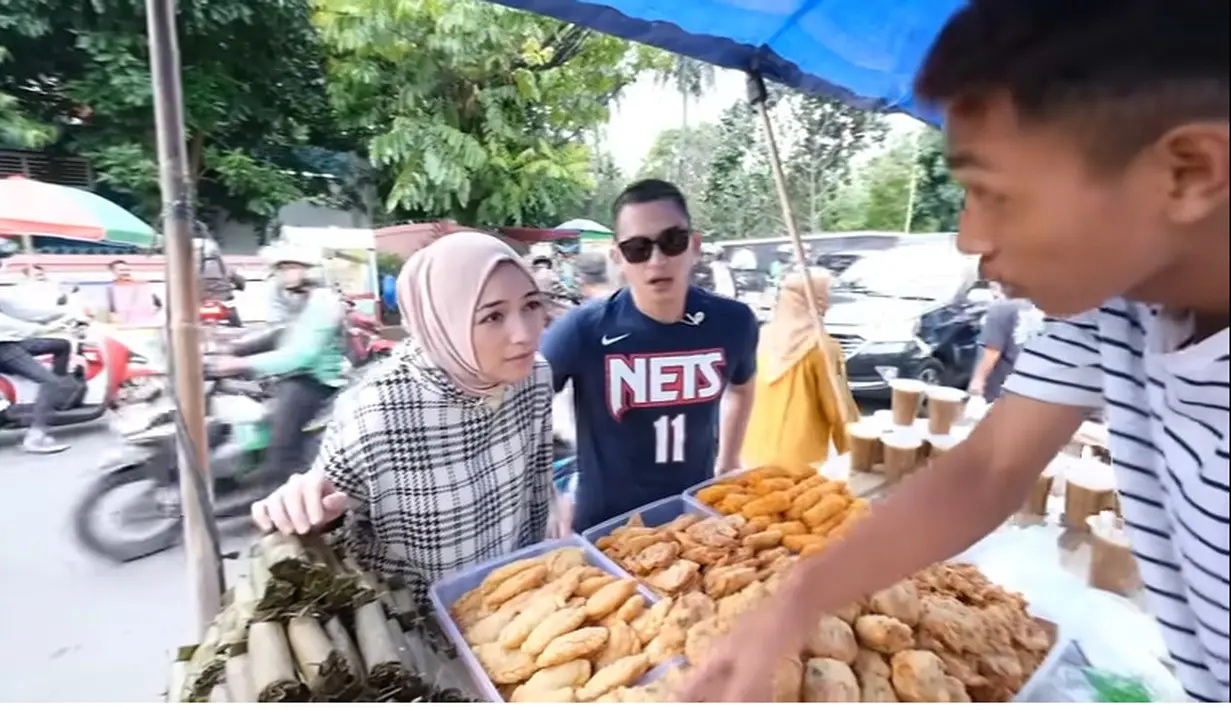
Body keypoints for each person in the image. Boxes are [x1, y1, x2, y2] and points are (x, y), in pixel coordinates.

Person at [681, 0, 1229, 702]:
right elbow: (987, 467)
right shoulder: (1119, 301)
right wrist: (794, 601)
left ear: (1185, 172)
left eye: (990, 192)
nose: (968, 240)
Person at [249, 232, 555, 603]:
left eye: (531, 305)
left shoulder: (533, 377)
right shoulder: (379, 413)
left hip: (513, 606)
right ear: (443, 322)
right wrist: (304, 508)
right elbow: (329, 526)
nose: (524, 334)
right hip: (418, 632)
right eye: (492, 316)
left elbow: (537, 488)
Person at [542, 179, 760, 532]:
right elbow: (520, 403)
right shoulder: (584, 329)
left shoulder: (733, 322)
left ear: (694, 245)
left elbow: (743, 387)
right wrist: (555, 494)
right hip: (606, 527)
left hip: (694, 519)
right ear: (618, 258)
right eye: (638, 248)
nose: (657, 260)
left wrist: (729, 459)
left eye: (672, 242)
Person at [208, 243, 347, 486]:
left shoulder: (323, 303)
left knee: (282, 436)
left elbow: (300, 354)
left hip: (314, 379)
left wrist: (240, 364)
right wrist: (232, 348)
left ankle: (279, 477)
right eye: (282, 269)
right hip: (293, 373)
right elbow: (277, 332)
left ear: (310, 270)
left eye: (292, 268)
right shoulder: (297, 301)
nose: (285, 274)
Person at [740, 269, 858, 469]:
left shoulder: (760, 336)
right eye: (824, 296)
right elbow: (838, 405)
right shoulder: (821, 347)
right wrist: (856, 450)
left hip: (750, 451)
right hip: (800, 460)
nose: (827, 303)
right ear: (813, 299)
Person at [0, 242, 77, 453]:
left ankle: (58, 398)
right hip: (3, 347)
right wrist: (38, 328)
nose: (2, 264)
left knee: (62, 345)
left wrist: (64, 312)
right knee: (48, 380)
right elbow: (15, 321)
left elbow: (24, 311)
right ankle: (36, 436)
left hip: (11, 342)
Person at [967, 290, 1044, 402]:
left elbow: (992, 351)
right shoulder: (1053, 306)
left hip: (1004, 382)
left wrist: (978, 380)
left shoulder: (1001, 307)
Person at [193, 221, 245, 327]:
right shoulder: (213, 251)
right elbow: (229, 273)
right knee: (236, 324)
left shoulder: (180, 250)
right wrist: (240, 283)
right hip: (222, 296)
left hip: (194, 297)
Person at [103, 259, 162, 326]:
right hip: (125, 326)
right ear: (113, 272)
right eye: (121, 270)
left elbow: (158, 305)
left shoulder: (143, 285)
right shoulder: (111, 288)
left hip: (146, 324)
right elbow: (112, 310)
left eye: (127, 270)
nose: (125, 272)